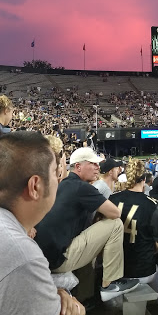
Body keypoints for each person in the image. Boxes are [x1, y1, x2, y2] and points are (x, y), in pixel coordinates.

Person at [35, 147, 138, 302]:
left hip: (45, 257)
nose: (98, 167)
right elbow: (115, 213)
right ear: (78, 167)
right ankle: (109, 283)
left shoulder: (64, 184)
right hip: (58, 259)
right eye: (93, 164)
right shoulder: (81, 187)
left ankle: (86, 299)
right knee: (115, 224)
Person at [0, 131, 85, 315]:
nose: (59, 180)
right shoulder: (24, 256)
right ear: (35, 186)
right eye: (56, 173)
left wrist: (50, 293)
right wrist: (78, 310)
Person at [110, 159, 158, 315]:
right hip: (143, 270)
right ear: (144, 179)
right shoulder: (153, 204)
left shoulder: (112, 199)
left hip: (115, 268)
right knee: (157, 273)